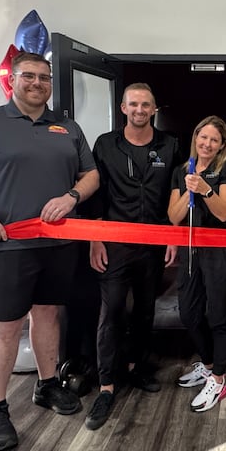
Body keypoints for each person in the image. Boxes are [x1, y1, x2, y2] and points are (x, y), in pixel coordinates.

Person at [0, 51, 100, 451]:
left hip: (59, 244)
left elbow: (91, 175)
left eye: (44, 77)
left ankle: (47, 385)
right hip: (9, 247)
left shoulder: (67, 127)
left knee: (47, 316)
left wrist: (72, 196)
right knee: (7, 326)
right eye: (29, 76)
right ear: (11, 79)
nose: (37, 83)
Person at [84, 83, 180, 431]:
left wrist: (172, 235)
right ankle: (107, 385)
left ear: (154, 109)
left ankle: (136, 368)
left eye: (146, 105)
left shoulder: (169, 145)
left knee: (145, 310)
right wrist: (95, 239)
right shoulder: (105, 144)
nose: (140, 110)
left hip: (153, 244)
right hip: (114, 243)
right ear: (123, 108)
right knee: (111, 311)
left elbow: (175, 193)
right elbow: (95, 194)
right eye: (133, 104)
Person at [168, 116, 226, 412]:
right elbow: (173, 216)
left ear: (222, 145)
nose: (207, 144)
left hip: (221, 252)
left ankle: (219, 379)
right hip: (191, 251)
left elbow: (224, 212)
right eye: (203, 137)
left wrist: (205, 190)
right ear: (196, 137)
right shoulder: (181, 171)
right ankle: (208, 365)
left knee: (220, 316)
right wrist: (189, 189)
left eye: (214, 140)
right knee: (189, 313)